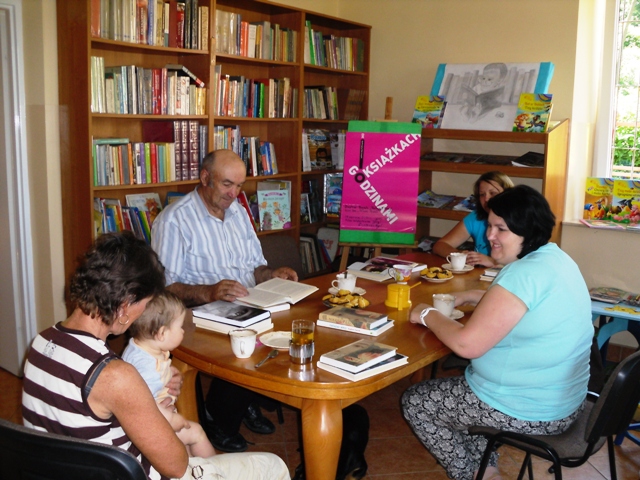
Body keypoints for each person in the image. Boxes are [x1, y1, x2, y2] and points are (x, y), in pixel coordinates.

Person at [21, 231, 290, 480]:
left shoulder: (41, 343)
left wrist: (145, 402)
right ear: (126, 305)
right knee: (272, 466)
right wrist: (156, 413)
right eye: (146, 303)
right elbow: (175, 465)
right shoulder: (114, 376)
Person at [402, 185, 593, 480]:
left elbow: (467, 345)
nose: (490, 236)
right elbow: (525, 305)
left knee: (417, 402)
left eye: (501, 229)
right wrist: (472, 296)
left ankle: (472, 475)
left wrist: (426, 313)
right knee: (467, 394)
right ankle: (487, 471)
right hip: (564, 400)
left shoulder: (521, 274)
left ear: (527, 230)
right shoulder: (555, 258)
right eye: (490, 226)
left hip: (529, 409)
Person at [151, 149, 298, 453]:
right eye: (227, 184)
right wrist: (209, 292)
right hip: (197, 310)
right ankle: (219, 418)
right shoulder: (175, 220)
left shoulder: (238, 213)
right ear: (205, 177)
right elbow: (164, 288)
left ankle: (244, 399)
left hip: (246, 302)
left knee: (285, 330)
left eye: (240, 186)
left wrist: (272, 274)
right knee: (247, 343)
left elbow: (255, 267)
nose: (234, 194)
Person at [122, 291, 216, 459]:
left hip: (157, 419)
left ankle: (191, 469)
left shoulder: (140, 346)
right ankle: (214, 469)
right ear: (162, 334)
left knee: (184, 450)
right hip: (153, 425)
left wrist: (167, 371)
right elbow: (143, 403)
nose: (183, 331)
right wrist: (171, 419)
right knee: (196, 433)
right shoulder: (147, 368)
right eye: (180, 327)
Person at [432, 171, 514, 267]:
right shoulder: (475, 217)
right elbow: (440, 245)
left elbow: (524, 263)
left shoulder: (519, 219)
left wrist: (492, 262)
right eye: (482, 194)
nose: (486, 199)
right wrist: (460, 255)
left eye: (493, 193)